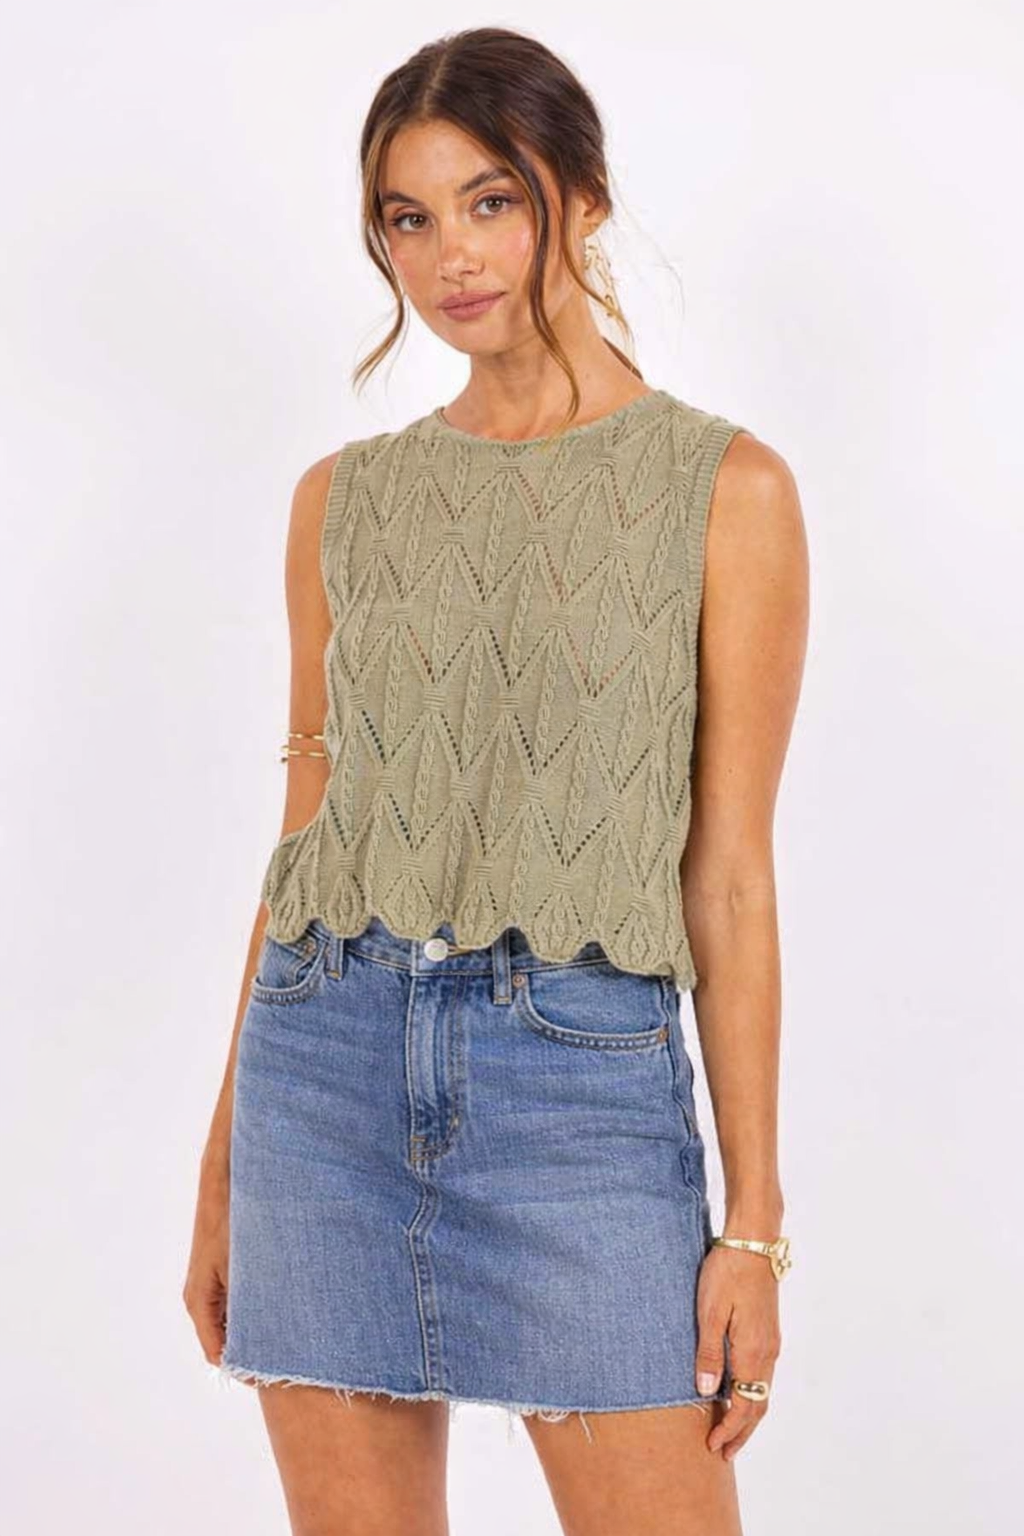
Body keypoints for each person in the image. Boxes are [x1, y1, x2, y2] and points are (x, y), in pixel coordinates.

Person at [183, 25, 808, 1536]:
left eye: (492, 200)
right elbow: (304, 840)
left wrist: (754, 1226)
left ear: (580, 197)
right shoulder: (342, 501)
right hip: (320, 1075)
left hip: (577, 1089)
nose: (448, 255)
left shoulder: (726, 491)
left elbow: (728, 875)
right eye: (407, 217)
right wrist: (220, 1174)